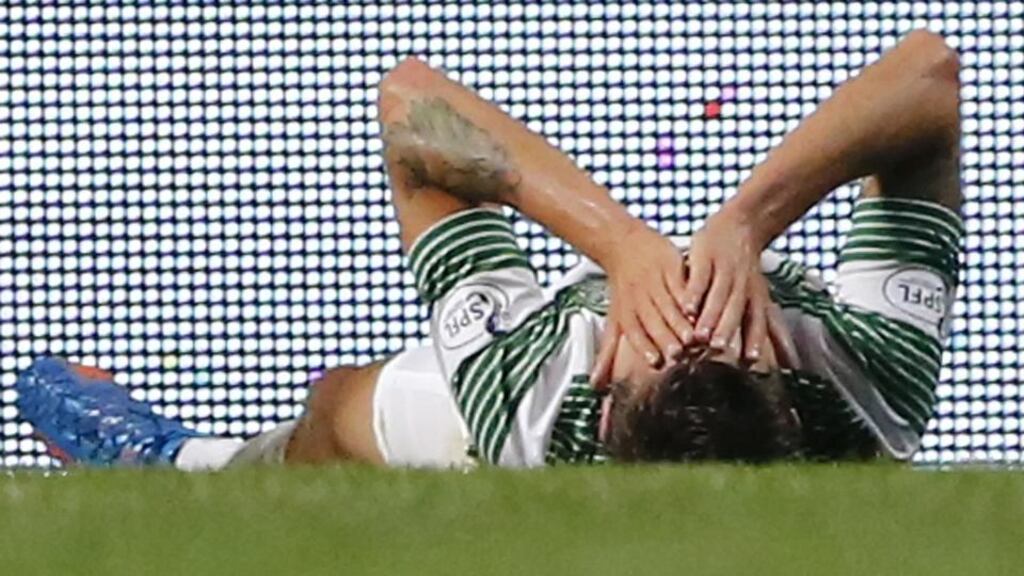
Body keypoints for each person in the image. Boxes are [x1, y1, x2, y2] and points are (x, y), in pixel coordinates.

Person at [16, 29, 963, 470]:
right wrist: (745, 220)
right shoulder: (863, 386)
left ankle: (180, 467)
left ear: (606, 381)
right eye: (718, 336)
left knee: (343, 411)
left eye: (667, 339)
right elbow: (927, 77)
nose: (687, 308)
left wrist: (621, 244)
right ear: (774, 360)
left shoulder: (534, 395)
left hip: (498, 433)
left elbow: (411, 109)